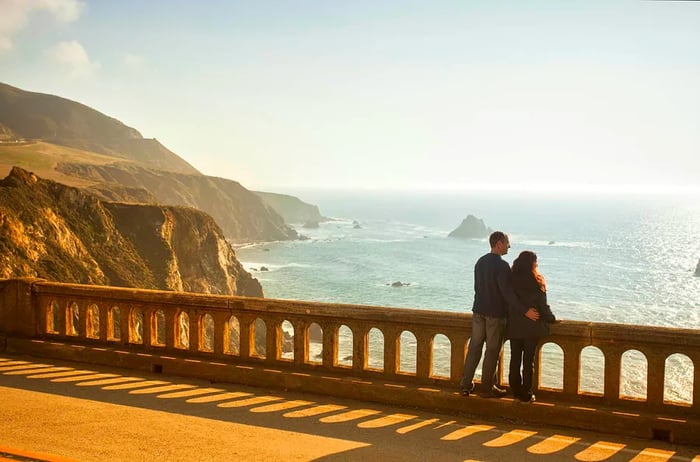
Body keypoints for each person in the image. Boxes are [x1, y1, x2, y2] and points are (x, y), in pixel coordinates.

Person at [461, 231, 540, 398]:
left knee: (474, 348)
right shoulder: (502, 266)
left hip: (478, 311)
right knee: (492, 351)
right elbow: (507, 293)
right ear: (498, 244)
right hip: (495, 314)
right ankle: (487, 388)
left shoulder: (480, 262)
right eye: (506, 243)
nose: (509, 246)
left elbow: (477, 287)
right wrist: (524, 310)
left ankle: (466, 385)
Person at [507, 250, 556, 403]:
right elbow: (543, 306)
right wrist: (551, 318)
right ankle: (526, 392)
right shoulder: (538, 281)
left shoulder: (511, 280)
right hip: (532, 326)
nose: (537, 264)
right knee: (528, 361)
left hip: (515, 325)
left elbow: (509, 301)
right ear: (531, 264)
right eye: (535, 261)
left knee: (515, 358)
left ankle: (515, 389)